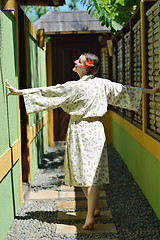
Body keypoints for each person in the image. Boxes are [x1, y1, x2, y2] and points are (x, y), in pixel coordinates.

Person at [5, 52, 160, 230]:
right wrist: (151, 91)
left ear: (86, 66)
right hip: (96, 129)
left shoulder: (74, 87)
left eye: (78, 61)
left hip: (79, 130)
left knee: (85, 173)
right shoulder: (103, 84)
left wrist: (20, 93)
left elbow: (50, 92)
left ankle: (89, 216)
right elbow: (125, 90)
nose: (74, 62)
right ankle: (92, 210)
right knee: (93, 173)